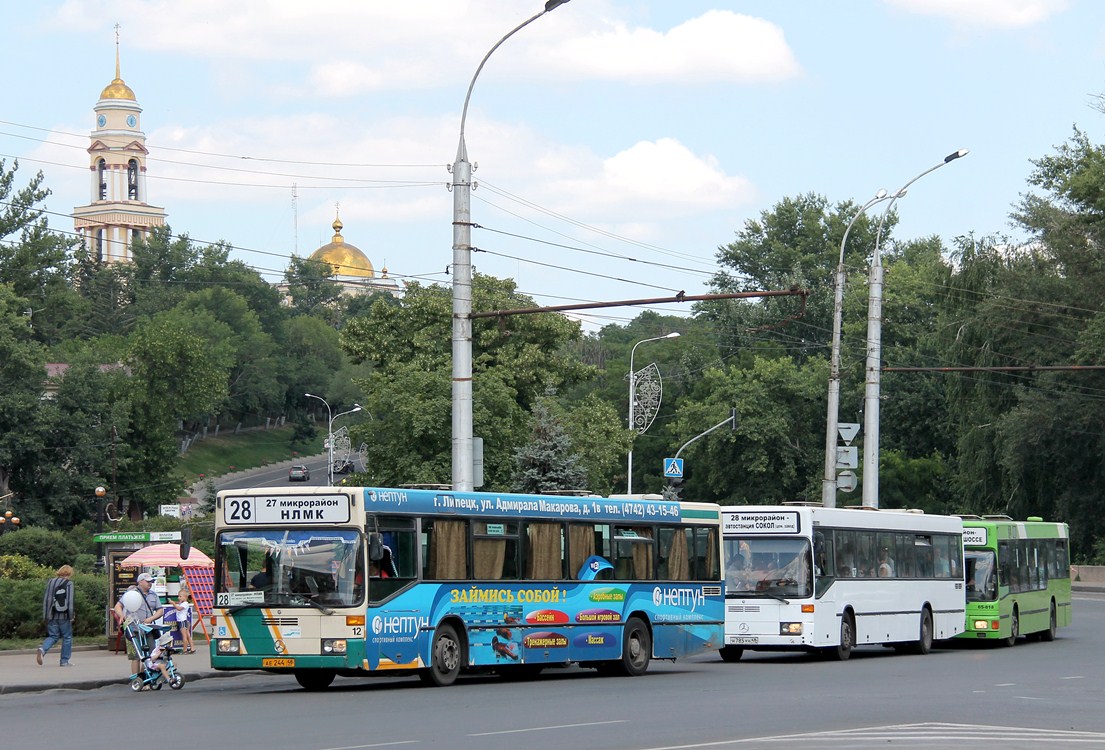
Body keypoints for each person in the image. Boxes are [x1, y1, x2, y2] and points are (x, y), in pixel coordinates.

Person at [113, 572, 165, 681]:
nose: (150, 584)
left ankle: (146, 678)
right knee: (137, 656)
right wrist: (121, 615)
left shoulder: (153, 595)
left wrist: (151, 618)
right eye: (148, 581)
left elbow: (160, 610)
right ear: (140, 582)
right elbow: (118, 606)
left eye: (151, 582)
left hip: (148, 629)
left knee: (150, 655)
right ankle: (136, 680)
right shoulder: (132, 594)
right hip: (134, 629)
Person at [37, 564, 75, 667]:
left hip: (51, 614)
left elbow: (47, 599)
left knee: (53, 636)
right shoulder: (69, 583)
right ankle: (64, 661)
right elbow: (70, 602)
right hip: (63, 615)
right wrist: (71, 615)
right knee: (67, 637)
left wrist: (45, 615)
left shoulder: (51, 582)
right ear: (69, 573)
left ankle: (42, 649)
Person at [172, 586, 195, 654]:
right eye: (178, 596)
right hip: (183, 621)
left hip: (182, 621)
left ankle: (185, 649)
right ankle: (192, 647)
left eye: (180, 596)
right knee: (187, 635)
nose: (179, 598)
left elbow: (179, 608)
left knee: (184, 636)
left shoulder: (185, 604)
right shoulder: (182, 603)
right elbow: (179, 605)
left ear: (185, 597)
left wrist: (173, 604)